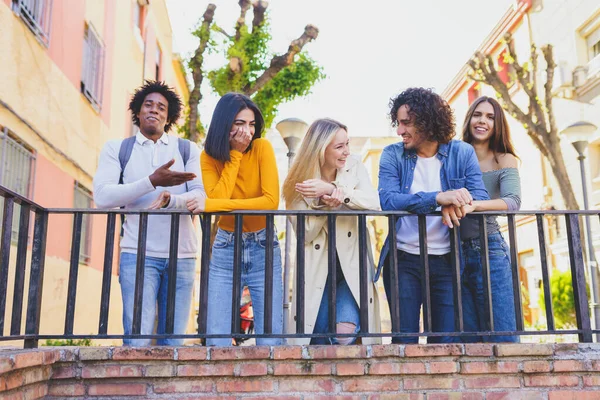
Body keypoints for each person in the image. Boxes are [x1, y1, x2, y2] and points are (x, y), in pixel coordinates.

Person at [93, 80, 205, 346]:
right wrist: (152, 182)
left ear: (169, 116)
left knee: (174, 345)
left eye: (161, 107)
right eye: (148, 105)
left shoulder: (187, 149)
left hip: (182, 256)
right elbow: (102, 197)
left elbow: (200, 196)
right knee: (137, 343)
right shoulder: (118, 149)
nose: (154, 110)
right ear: (138, 111)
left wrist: (170, 201)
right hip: (137, 254)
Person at [377, 87, 489, 344]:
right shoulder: (392, 154)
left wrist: (458, 202)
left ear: (427, 122)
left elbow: (479, 196)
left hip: (447, 262)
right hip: (403, 260)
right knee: (404, 343)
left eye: (406, 123)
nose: (399, 130)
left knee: (446, 343)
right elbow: (388, 200)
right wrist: (438, 198)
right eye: (398, 123)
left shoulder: (461, 153)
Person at [186, 92, 283, 346]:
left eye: (251, 124)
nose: (247, 131)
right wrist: (235, 156)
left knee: (270, 340)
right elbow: (218, 199)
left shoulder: (263, 148)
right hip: (226, 246)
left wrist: (213, 205)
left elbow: (270, 202)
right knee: (217, 339)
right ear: (224, 123)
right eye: (240, 123)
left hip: (263, 245)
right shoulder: (209, 157)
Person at [282, 118, 382, 345]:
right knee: (315, 338)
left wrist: (336, 190)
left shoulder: (354, 166)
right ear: (320, 149)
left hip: (352, 268)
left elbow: (373, 202)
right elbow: (304, 233)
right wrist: (324, 203)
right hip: (316, 269)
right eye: (339, 147)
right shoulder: (297, 181)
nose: (346, 151)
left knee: (344, 333)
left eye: (347, 144)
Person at [442, 96, 520, 343]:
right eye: (478, 115)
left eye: (490, 117)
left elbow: (513, 201)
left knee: (502, 336)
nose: (482, 121)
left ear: (497, 125)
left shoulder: (504, 159)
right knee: (468, 340)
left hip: (490, 250)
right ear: (469, 119)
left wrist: (475, 205)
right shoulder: (451, 154)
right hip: (451, 252)